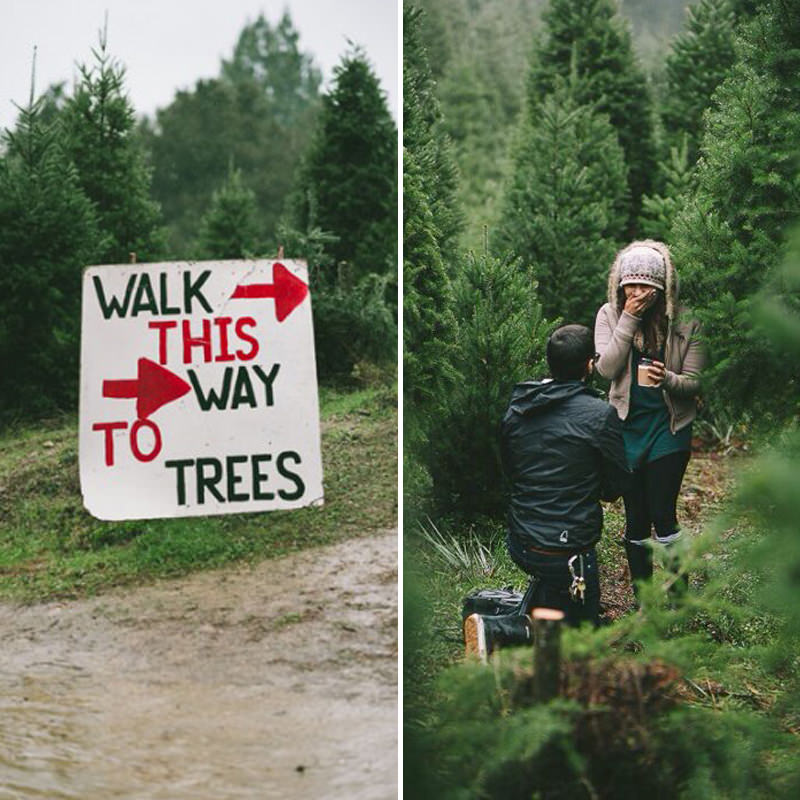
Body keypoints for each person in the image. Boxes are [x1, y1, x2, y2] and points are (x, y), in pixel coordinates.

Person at [463, 324, 630, 659]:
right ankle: (494, 629)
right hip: (569, 553)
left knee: (556, 594)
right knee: (581, 635)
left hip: (522, 542)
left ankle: (517, 613)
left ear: (549, 363)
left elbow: (511, 473)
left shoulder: (519, 406)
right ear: (589, 364)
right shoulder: (600, 415)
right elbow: (615, 487)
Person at [594, 240, 704, 598]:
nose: (638, 293)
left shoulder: (685, 320)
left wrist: (667, 379)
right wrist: (629, 317)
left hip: (670, 427)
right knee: (636, 518)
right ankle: (643, 602)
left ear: (662, 288)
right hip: (626, 428)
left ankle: (679, 597)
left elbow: (696, 381)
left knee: (662, 512)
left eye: (646, 287)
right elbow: (606, 369)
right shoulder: (609, 314)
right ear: (620, 284)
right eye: (631, 285)